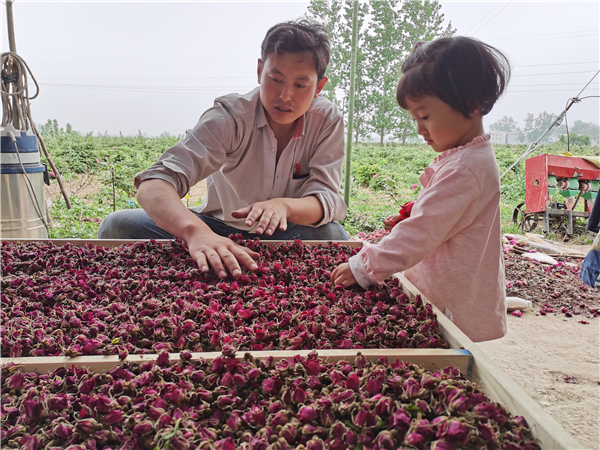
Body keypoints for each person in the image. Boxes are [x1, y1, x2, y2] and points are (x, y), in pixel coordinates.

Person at [98, 20, 349, 279]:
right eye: (276, 79)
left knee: (333, 235)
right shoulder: (229, 118)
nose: (285, 95)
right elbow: (153, 184)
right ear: (259, 71)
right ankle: (210, 245)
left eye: (300, 85)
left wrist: (284, 207)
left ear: (319, 86)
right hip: (216, 228)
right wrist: (197, 233)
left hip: (286, 232)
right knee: (117, 226)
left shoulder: (326, 120)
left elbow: (327, 197)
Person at [331, 36, 511, 342]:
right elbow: (445, 214)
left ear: (470, 104)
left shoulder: (465, 168)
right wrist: (412, 213)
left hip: (449, 305)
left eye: (425, 116)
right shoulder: (467, 158)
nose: (419, 129)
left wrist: (365, 266)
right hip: (444, 294)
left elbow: (423, 231)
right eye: (414, 118)